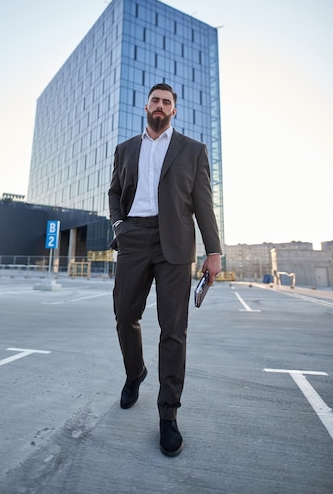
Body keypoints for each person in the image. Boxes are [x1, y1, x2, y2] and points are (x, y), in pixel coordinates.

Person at [108, 83, 222, 457]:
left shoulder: (192, 150)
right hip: (133, 238)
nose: (160, 106)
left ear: (174, 110)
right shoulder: (125, 149)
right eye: (155, 100)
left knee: (173, 329)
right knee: (125, 314)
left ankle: (168, 415)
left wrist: (214, 251)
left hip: (175, 242)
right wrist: (118, 226)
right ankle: (134, 372)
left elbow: (203, 203)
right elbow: (114, 191)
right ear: (146, 106)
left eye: (167, 102)